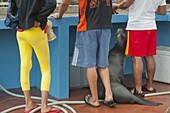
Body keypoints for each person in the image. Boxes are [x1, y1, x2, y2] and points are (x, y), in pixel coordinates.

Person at [51, 0, 116, 107]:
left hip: (88, 27)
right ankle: (109, 94)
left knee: (90, 64)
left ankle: (94, 99)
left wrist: (59, 14)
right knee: (103, 64)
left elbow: (65, 3)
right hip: (106, 26)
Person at [10, 0, 60, 113]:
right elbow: (51, 3)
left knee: (25, 67)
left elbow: (12, 9)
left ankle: (28, 104)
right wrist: (38, 19)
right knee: (45, 69)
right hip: (36, 32)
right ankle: (44, 106)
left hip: (21, 32)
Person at [112, 0, 166, 97]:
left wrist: (115, 6)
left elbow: (125, 5)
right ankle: (150, 86)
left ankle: (138, 89)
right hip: (151, 26)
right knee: (149, 56)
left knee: (136, 58)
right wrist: (149, 9)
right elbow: (162, 11)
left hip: (137, 27)